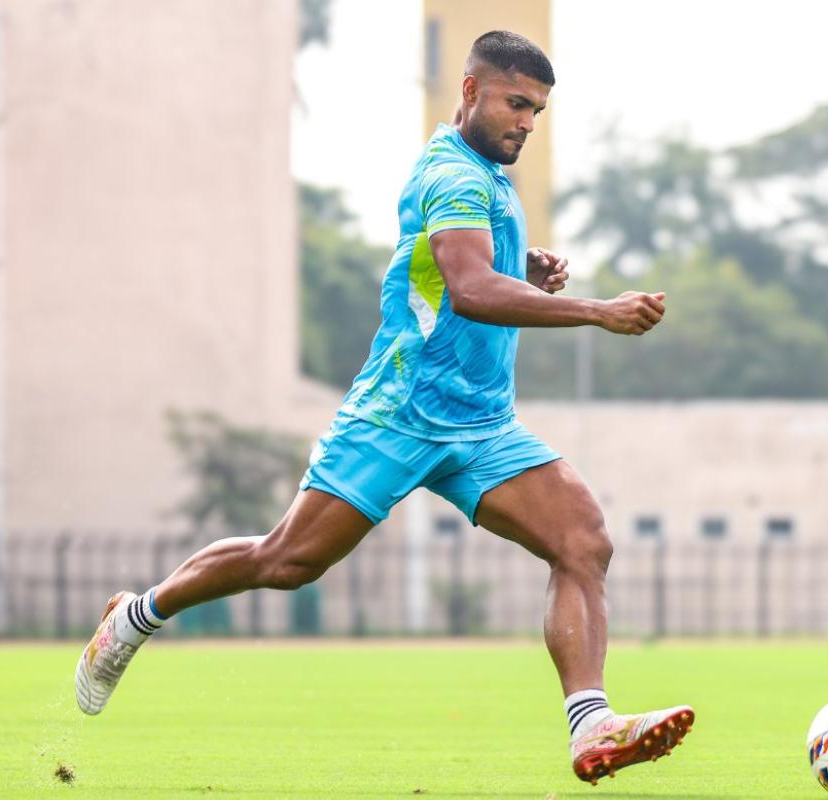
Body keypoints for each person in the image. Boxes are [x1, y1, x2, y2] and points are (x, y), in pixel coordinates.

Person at [75, 29, 692, 785]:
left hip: (479, 422)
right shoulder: (455, 175)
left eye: (536, 110)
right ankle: (137, 615)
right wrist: (596, 312)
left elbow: (448, 265)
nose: (527, 122)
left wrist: (520, 265)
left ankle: (590, 723)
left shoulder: (486, 175)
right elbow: (467, 289)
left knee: (583, 540)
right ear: (469, 91)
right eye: (514, 103)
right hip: (397, 412)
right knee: (286, 561)